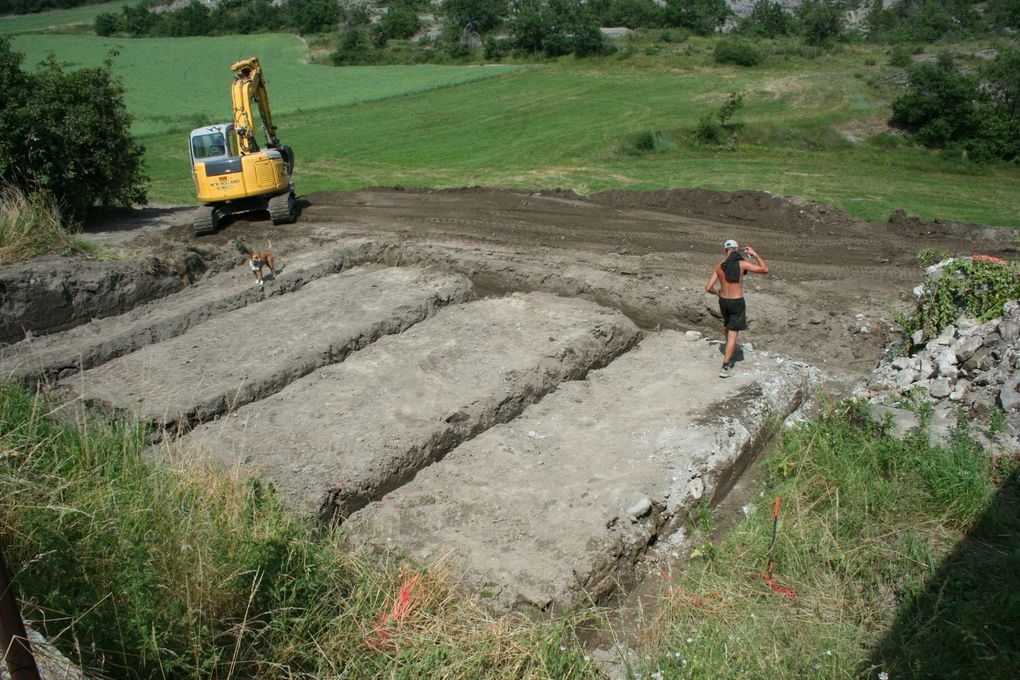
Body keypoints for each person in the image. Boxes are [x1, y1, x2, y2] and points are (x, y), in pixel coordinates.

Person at [704, 239, 769, 378]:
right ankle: (725, 366)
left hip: (723, 301)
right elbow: (765, 269)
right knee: (733, 333)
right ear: (737, 249)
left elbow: (708, 287)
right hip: (736, 302)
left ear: (725, 250)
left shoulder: (719, 266)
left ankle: (729, 349)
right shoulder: (742, 264)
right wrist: (754, 254)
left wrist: (718, 293)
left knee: (727, 326)